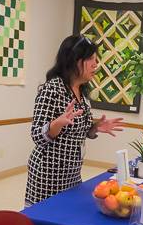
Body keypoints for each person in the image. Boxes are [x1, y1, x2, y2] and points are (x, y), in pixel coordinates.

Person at [25, 35, 123, 206]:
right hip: (49, 174)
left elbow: (82, 130)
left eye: (96, 59)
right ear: (75, 60)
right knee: (47, 219)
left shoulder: (82, 92)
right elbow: (37, 135)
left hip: (72, 172)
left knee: (69, 214)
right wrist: (57, 124)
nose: (95, 64)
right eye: (91, 59)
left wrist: (96, 127)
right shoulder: (53, 88)